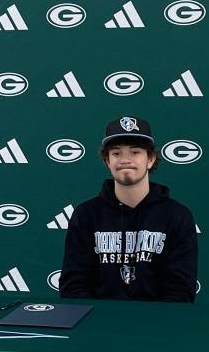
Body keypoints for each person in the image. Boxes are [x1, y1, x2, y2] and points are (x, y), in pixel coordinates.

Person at [59, 116, 198, 302]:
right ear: (107, 161)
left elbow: (180, 290)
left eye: (135, 152)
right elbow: (73, 285)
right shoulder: (86, 215)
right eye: (116, 153)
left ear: (150, 159)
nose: (125, 160)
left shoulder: (177, 216)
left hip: (158, 325)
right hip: (98, 323)